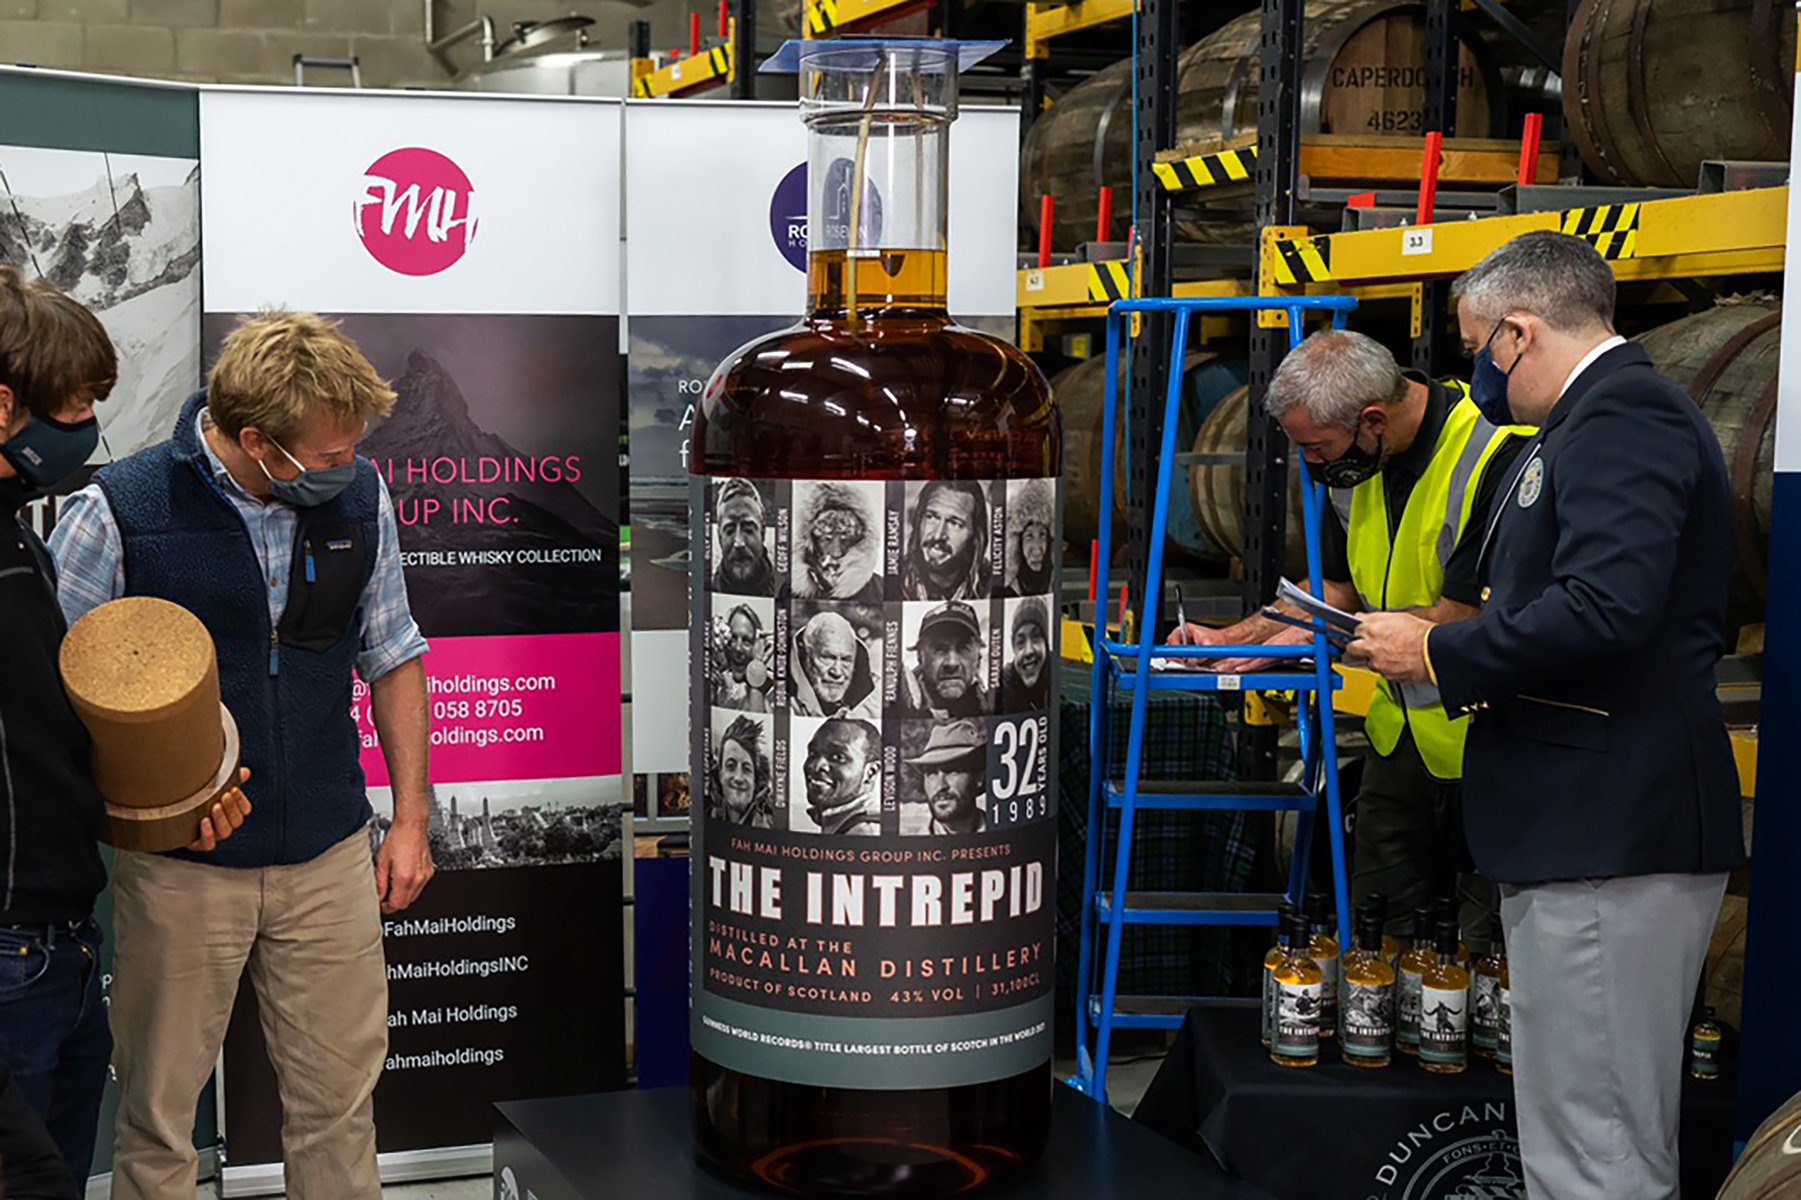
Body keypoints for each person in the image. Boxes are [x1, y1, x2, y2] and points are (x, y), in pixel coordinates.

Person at [1352, 231, 1742, 1200]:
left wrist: (1436, 652)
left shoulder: (1624, 419)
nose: (1474, 370)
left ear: (1517, 334)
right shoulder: (1587, 425)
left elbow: (1607, 604)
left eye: (1477, 343)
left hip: (1607, 820)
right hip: (1579, 820)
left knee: (1596, 1137)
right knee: (1578, 1121)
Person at [50, 311, 436, 1200]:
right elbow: (58, 697)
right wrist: (159, 806)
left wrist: (409, 820)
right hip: (183, 872)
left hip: (331, 854)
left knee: (339, 1107)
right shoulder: (120, 511)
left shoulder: (358, 495)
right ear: (258, 442)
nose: (345, 470)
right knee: (156, 1116)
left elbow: (393, 652)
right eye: (327, 456)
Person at [0, 267, 248, 1191]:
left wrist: (174, 800)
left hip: (58, 947)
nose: (86, 429)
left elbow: (43, 753)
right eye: (72, 405)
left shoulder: (21, 535)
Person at [1168, 329, 1528, 950]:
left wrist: (1357, 636)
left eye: (1316, 447)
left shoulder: (1496, 452)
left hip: (1491, 745)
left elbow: (1467, 613)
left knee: (1484, 952)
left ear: (1373, 420)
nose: (1311, 464)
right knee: (1377, 935)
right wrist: (1236, 640)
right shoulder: (1355, 465)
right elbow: (1335, 588)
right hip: (1399, 742)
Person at [792, 480, 881, 603]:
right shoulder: (792, 589)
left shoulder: (878, 590)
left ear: (861, 542)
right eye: (827, 539)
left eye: (845, 540)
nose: (836, 552)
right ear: (811, 541)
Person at [902, 480, 989, 600]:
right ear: (919, 521)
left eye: (954, 523)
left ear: (975, 535)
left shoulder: (993, 584)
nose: (938, 535)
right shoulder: (893, 579)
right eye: (931, 517)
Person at [902, 600, 991, 717]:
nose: (952, 662)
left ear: (978, 657)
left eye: (963, 649)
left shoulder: (993, 703)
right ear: (920, 656)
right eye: (939, 649)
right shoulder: (899, 701)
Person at [789, 609, 878, 718]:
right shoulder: (781, 705)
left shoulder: (868, 710)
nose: (837, 672)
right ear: (806, 654)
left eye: (846, 660)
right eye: (827, 657)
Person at [800, 719, 882, 836]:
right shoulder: (838, 821)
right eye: (813, 753)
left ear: (871, 772)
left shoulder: (864, 833)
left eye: (838, 757)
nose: (816, 766)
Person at [905, 720, 988, 835]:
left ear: (979, 778)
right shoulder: (915, 845)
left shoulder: (1001, 833)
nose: (940, 786)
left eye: (952, 771)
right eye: (931, 773)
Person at [714, 477, 776, 595]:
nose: (739, 543)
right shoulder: (707, 590)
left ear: (763, 532)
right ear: (719, 537)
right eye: (730, 531)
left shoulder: (783, 591)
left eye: (748, 530)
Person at [714, 716, 775, 829]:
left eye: (747, 769)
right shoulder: (708, 817)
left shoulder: (770, 826)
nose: (738, 778)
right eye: (731, 766)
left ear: (755, 780)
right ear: (720, 773)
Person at [712, 603, 772, 712]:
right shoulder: (718, 680)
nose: (738, 648)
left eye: (746, 641)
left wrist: (757, 665)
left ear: (757, 645)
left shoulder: (771, 687)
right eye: (733, 638)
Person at [999, 597, 1052, 711]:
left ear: (1046, 643)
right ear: (1014, 649)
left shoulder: (1056, 671)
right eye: (1020, 642)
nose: (1028, 651)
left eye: (1036, 637)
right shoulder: (1005, 685)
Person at [1004, 479, 1054, 597]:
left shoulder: (1055, 586)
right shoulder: (1007, 593)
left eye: (1042, 535)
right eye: (1029, 537)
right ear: (1017, 544)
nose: (1037, 550)